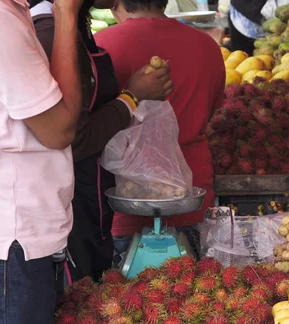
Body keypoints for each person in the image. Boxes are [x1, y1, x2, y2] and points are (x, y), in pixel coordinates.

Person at [30, 0, 174, 282]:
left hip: (91, 202)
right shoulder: (49, 33)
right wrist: (131, 97)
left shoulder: (75, 28)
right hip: (67, 213)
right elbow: (73, 139)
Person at [95, 0, 225, 260]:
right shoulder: (207, 47)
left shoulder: (101, 47)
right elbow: (210, 112)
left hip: (121, 205)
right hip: (192, 199)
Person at [0, 0, 82, 324]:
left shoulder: (14, 15)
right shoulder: (2, 23)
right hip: (14, 242)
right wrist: (66, 15)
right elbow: (59, 129)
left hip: (19, 237)